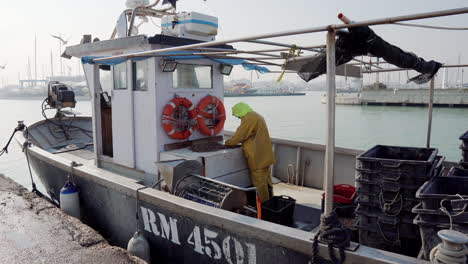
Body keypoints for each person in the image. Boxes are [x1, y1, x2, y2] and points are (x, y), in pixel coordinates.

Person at [225, 102, 275, 202]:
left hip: (257, 157)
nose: (239, 118)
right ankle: (271, 201)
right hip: (265, 155)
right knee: (267, 181)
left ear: (240, 111)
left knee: (259, 184)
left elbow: (240, 135)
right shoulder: (256, 115)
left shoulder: (249, 118)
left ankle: (264, 206)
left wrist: (228, 142)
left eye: (238, 116)